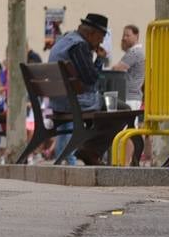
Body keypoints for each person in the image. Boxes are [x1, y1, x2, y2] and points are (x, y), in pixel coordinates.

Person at [47, 13, 108, 163]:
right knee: (121, 110)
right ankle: (91, 151)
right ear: (91, 33)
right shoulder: (79, 45)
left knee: (112, 109)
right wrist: (99, 60)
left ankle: (89, 150)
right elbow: (91, 79)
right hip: (74, 103)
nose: (100, 42)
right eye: (100, 38)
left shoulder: (64, 40)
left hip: (59, 103)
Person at [111, 24, 146, 109]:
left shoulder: (134, 52)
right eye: (123, 35)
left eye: (128, 35)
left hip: (130, 98)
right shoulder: (134, 52)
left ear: (136, 36)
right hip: (131, 97)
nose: (124, 38)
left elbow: (116, 69)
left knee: (128, 122)